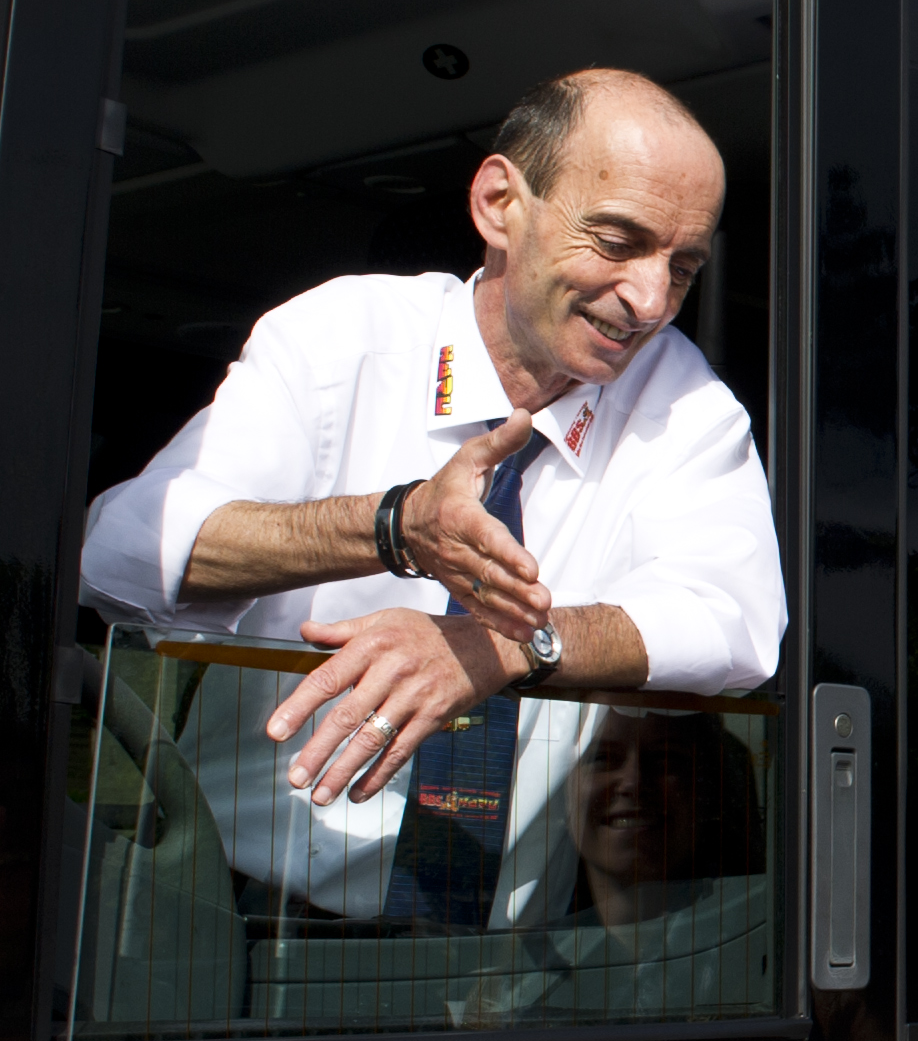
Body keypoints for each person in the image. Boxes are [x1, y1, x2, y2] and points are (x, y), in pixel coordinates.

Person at [78, 67, 785, 931]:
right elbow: (116, 556)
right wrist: (393, 526)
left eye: (681, 266)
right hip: (240, 929)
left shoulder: (683, 400)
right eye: (615, 240)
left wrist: (503, 646)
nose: (648, 300)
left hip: (487, 976)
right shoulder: (346, 338)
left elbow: (737, 623)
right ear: (498, 205)